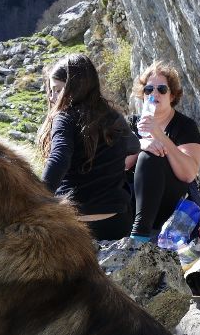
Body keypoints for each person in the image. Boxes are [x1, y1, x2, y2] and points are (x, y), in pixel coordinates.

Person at [38, 53, 140, 241]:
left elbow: (59, 159)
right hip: (116, 223)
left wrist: (37, 201)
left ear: (75, 88)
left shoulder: (65, 117)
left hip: (76, 226)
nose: (52, 98)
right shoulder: (113, 117)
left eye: (58, 90)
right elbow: (134, 146)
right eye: (50, 91)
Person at [127, 61, 200, 242]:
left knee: (150, 156)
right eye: (148, 90)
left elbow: (188, 174)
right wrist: (140, 145)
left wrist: (159, 136)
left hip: (172, 203)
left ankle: (140, 235)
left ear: (172, 95)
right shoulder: (132, 124)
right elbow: (119, 164)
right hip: (134, 201)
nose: (154, 94)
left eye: (161, 89)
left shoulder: (185, 126)